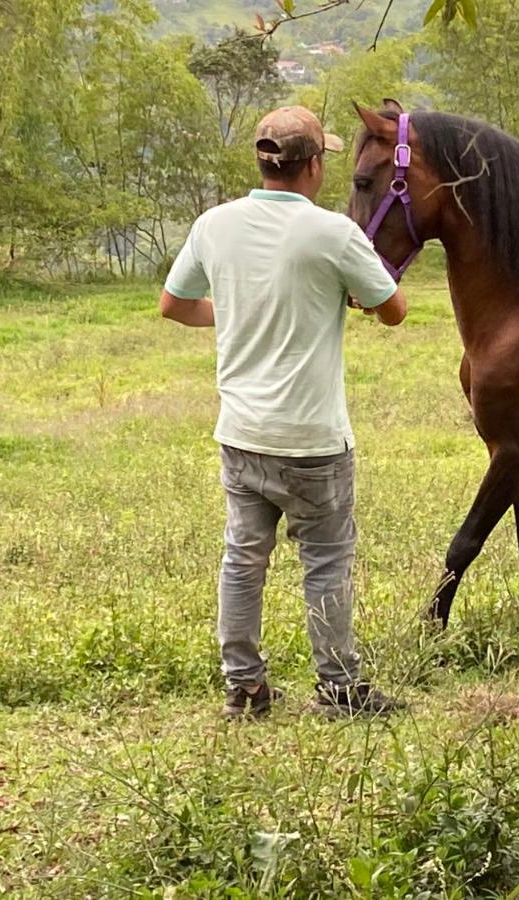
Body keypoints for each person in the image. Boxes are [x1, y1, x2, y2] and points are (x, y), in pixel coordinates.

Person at [159, 105, 408, 719]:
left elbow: (174, 305)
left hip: (241, 435)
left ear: (262, 162)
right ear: (316, 165)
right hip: (314, 440)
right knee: (325, 561)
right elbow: (394, 310)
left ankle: (244, 688)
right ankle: (339, 687)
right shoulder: (334, 234)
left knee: (243, 560)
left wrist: (243, 308)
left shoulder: (214, 225)